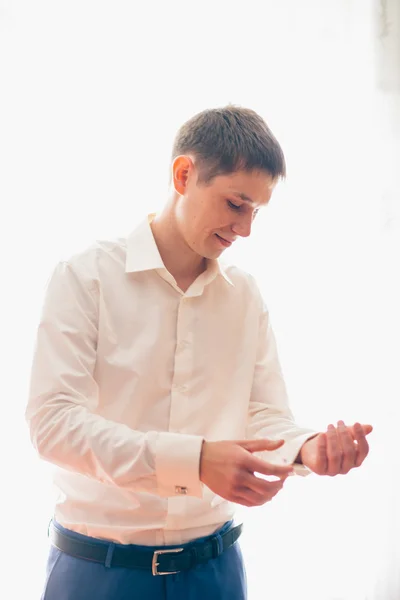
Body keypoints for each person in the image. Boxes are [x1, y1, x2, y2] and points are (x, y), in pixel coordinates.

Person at [26, 105, 373, 600]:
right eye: (236, 204)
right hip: (97, 572)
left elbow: (262, 413)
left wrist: (307, 448)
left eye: (257, 210)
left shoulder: (246, 296)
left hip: (216, 572)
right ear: (184, 174)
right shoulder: (84, 278)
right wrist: (193, 462)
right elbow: (53, 424)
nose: (247, 228)